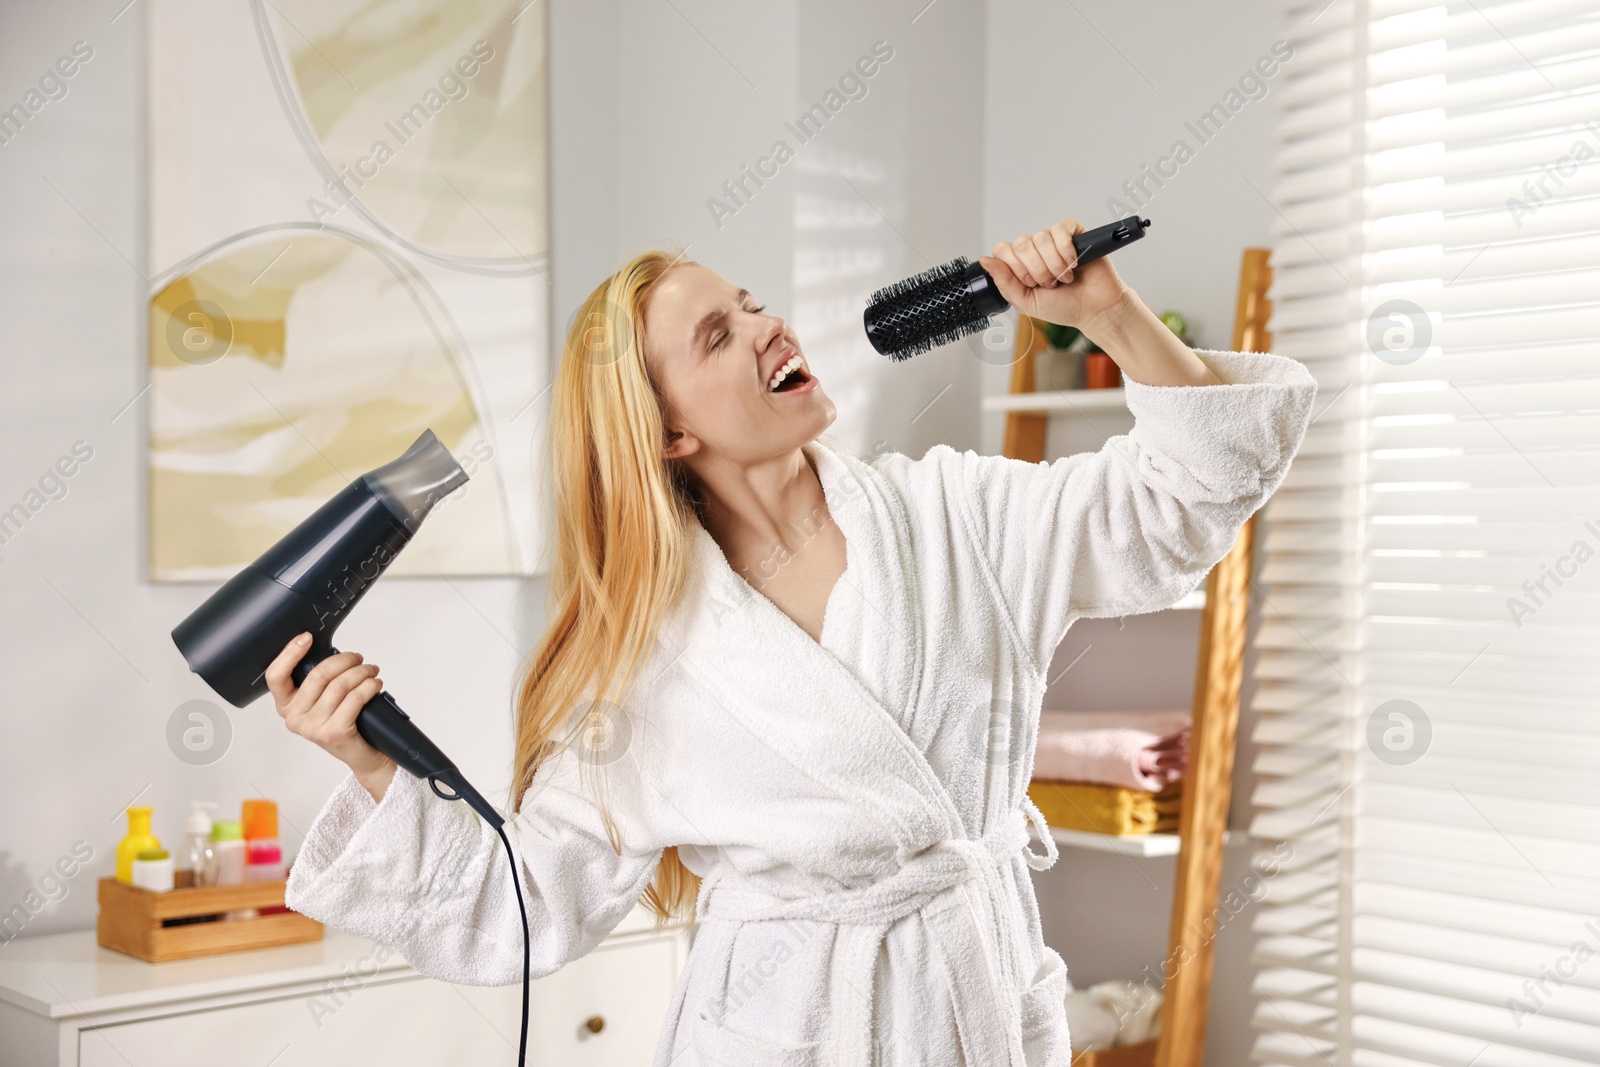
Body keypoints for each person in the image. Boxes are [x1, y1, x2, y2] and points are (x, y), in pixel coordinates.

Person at [273, 219, 1317, 1066]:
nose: (766, 327)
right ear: (669, 434)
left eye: (752, 304)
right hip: (783, 1034)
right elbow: (523, 906)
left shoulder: (955, 515)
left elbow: (1190, 495)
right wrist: (369, 761)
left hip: (975, 1008)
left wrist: (1109, 314)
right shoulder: (638, 662)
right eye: (716, 337)